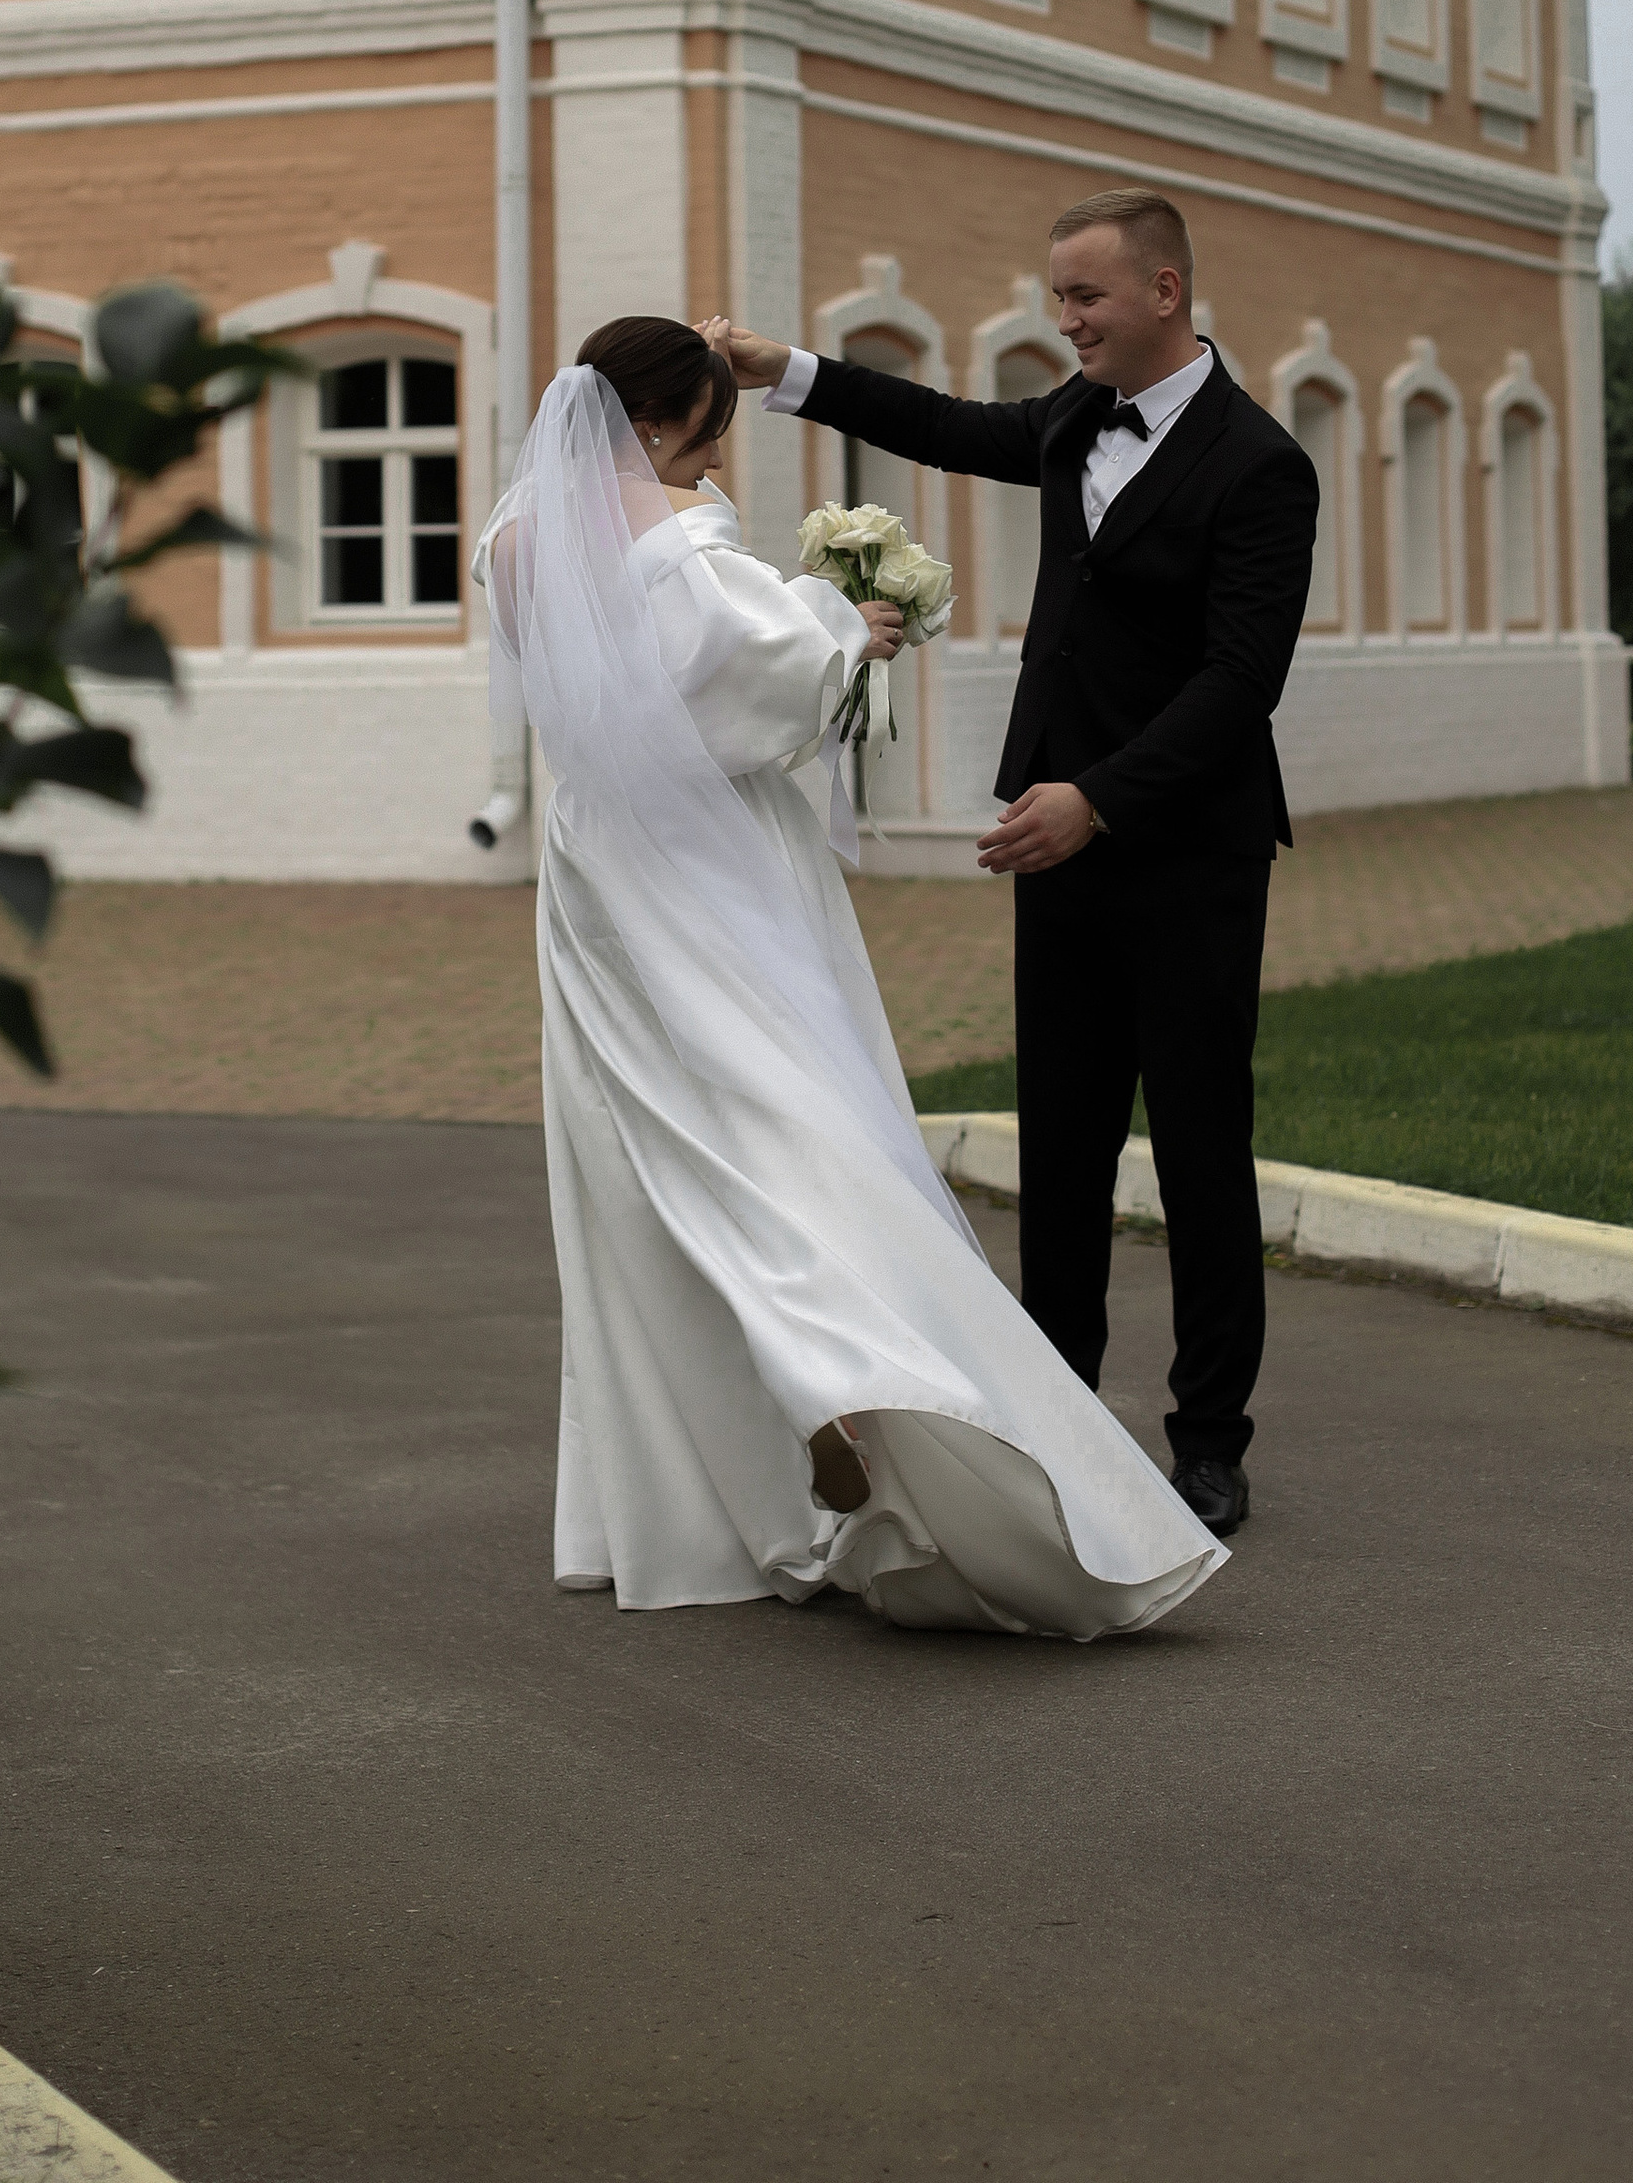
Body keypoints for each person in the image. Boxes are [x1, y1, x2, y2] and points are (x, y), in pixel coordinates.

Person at [477, 312, 1224, 1635]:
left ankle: (678, 1494)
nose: (716, 464)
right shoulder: (684, 548)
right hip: (714, 875)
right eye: (708, 435)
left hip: (596, 875)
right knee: (801, 1128)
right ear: (656, 428)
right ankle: (883, 1388)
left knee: (643, 1162)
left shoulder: (517, 537)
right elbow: (752, 702)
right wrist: (850, 625)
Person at [705, 192, 1318, 1540]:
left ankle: (1211, 1443)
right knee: (1065, 1148)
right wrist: (784, 374)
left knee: (1205, 1152)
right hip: (1058, 843)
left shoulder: (1259, 465)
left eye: (1087, 298)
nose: (1067, 321)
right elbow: (938, 424)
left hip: (1189, 855)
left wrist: (1098, 799)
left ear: (1166, 291)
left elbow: (1239, 683)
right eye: (1057, 297)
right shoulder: (1068, 424)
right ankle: (1054, 1422)